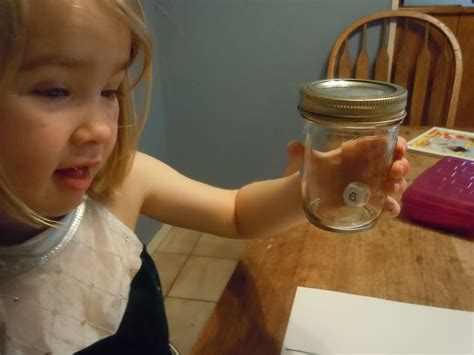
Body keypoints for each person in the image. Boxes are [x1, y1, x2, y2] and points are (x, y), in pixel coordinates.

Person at [0, 0, 410, 354]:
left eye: (110, 91)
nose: (103, 130)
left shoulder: (121, 183)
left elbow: (236, 213)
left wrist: (314, 188)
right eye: (54, 91)